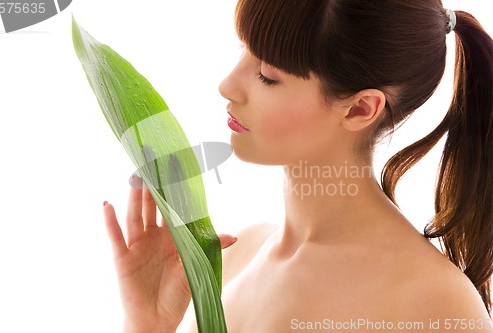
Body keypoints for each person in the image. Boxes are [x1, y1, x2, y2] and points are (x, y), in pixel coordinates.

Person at [102, 0, 493, 332]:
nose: (227, 85)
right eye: (243, 50)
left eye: (267, 76)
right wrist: (147, 323)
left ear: (360, 108)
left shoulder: (438, 306)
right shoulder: (236, 256)